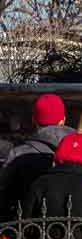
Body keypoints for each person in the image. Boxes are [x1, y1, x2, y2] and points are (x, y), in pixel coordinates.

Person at [0, 94, 75, 222]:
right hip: (75, 233)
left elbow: (3, 193)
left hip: (27, 232)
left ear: (34, 120)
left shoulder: (18, 154)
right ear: (63, 120)